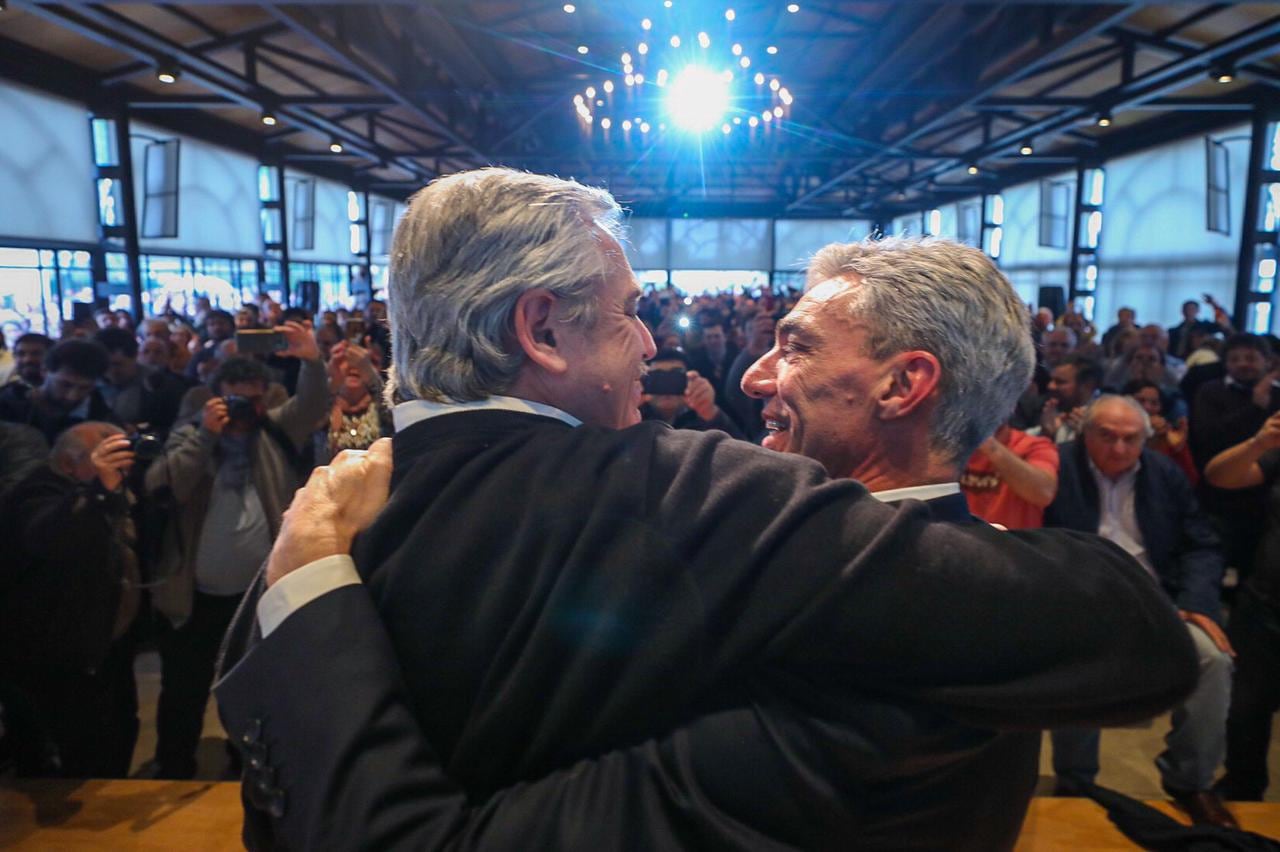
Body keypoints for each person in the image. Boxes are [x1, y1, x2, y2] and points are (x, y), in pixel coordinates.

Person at [216, 171, 1195, 850]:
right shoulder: (690, 501)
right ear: (543, 328)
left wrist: (302, 590)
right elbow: (1130, 634)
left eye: (797, 345)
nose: (655, 346)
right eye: (632, 310)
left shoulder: (308, 571)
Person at [144, 324, 327, 779]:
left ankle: (245, 767)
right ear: (216, 397)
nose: (246, 409)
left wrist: (311, 361)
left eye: (254, 398)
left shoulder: (275, 431)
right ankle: (173, 768)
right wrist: (205, 435)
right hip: (195, 596)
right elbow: (162, 485)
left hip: (256, 597)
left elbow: (314, 405)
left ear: (265, 398)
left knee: (252, 689)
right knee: (183, 690)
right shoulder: (192, 435)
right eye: (235, 399)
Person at [1045, 395, 1234, 826]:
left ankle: (1192, 781)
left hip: (1157, 599)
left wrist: (1196, 604)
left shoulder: (1163, 473)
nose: (1118, 449)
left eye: (1131, 440)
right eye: (1106, 437)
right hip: (1080, 598)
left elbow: (1200, 544)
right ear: (1083, 433)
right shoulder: (1057, 465)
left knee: (1213, 659)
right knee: (1076, 660)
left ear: (1145, 440)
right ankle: (1075, 779)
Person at [0, 422, 141, 777]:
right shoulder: (36, 492)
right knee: (78, 746)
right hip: (56, 652)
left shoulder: (110, 487)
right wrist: (99, 490)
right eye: (105, 455)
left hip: (105, 641)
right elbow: (51, 536)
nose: (121, 464)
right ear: (67, 464)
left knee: (120, 726)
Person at [1206, 411, 1280, 801]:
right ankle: (1241, 791)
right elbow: (1219, 475)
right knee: (1245, 713)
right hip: (1264, 603)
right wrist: (1259, 443)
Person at [1191, 333, 1280, 579]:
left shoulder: (1277, 395)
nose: (1243, 364)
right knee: (1214, 562)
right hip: (1218, 494)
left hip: (1264, 498)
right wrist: (1255, 407)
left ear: (1267, 361)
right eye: (1235, 359)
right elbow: (1208, 438)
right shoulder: (1210, 391)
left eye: (1251, 358)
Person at [0, 338, 117, 444]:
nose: (72, 396)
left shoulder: (102, 415)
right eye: (65, 385)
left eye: (84, 388)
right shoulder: (8, 409)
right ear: (44, 371)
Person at [960, 421, 1059, 529]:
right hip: (958, 539)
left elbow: (1044, 493)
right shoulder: (952, 447)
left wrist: (988, 444)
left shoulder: (1034, 446)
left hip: (1011, 542)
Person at [94, 327, 187, 437]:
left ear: (135, 356)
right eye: (105, 365)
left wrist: (141, 431)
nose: (109, 371)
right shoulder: (90, 384)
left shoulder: (164, 387)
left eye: (117, 364)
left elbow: (176, 429)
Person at [639, 349, 744, 438]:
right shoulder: (635, 416)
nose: (667, 384)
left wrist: (712, 414)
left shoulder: (702, 416)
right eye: (659, 377)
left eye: (675, 376)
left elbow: (742, 454)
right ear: (645, 380)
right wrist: (627, 412)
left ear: (688, 378)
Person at [318, 339, 391, 463]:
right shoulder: (323, 407)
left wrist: (368, 371)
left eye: (363, 363)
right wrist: (332, 382)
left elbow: (393, 408)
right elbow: (309, 412)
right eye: (346, 360)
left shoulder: (382, 408)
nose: (354, 367)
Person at [1125, 379, 1196, 485]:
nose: (1147, 407)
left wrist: (1179, 450)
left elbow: (1190, 480)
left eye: (1154, 403)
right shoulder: (1115, 434)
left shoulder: (1168, 436)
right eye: (1140, 401)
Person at [723, 312, 776, 442]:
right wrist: (756, 345)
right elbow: (733, 393)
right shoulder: (739, 360)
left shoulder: (778, 358)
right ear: (742, 336)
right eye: (752, 329)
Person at [1035, 354, 1102, 443]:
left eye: (1060, 382)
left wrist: (1085, 436)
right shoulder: (1047, 409)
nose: (1050, 386)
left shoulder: (1104, 419)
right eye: (1051, 380)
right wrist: (1046, 434)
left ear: (1087, 386)